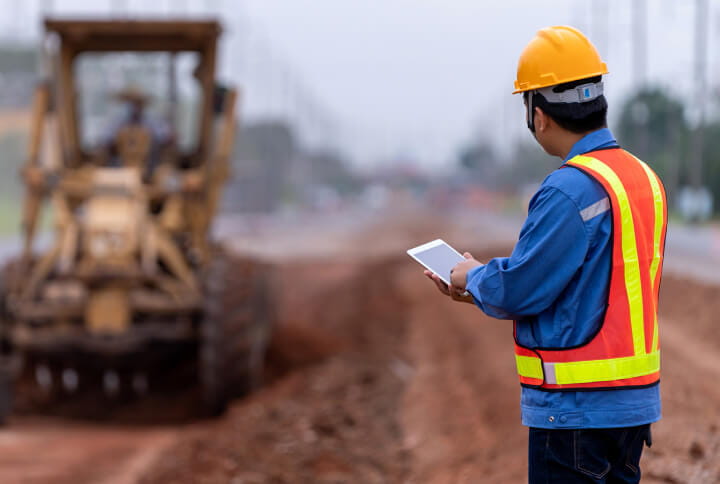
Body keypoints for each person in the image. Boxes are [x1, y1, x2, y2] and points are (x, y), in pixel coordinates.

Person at [425, 26, 667, 483]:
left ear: (538, 113)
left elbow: (521, 288)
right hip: (632, 409)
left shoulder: (569, 188)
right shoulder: (643, 179)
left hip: (575, 413)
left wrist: (470, 276)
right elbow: (595, 281)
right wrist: (477, 290)